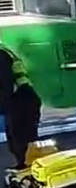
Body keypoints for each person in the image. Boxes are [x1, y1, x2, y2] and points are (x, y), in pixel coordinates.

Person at [0, 40, 41, 170]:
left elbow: (6, 84)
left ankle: (31, 171)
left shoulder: (1, 54)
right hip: (19, 100)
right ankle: (26, 167)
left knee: (22, 141)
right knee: (17, 141)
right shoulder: (3, 50)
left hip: (21, 101)